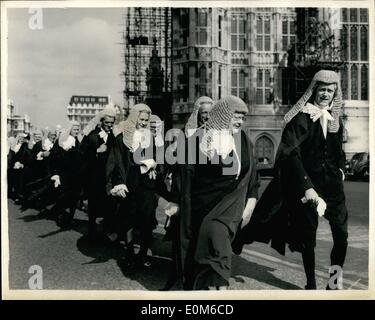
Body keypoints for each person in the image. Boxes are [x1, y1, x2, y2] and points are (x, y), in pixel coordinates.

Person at [234, 70, 348, 290]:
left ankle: (334, 284)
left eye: (330, 91)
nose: (326, 94)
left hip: (333, 188)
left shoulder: (335, 121)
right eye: (322, 90)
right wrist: (306, 187)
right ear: (314, 90)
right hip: (306, 186)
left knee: (342, 236)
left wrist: (341, 171)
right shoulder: (300, 119)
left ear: (335, 93)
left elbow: (338, 152)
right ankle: (311, 285)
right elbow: (291, 155)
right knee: (308, 238)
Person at [178, 95, 259, 290]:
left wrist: (251, 203)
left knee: (216, 249)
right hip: (207, 206)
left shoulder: (244, 140)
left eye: (242, 117)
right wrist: (177, 202)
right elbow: (186, 175)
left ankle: (210, 289)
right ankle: (220, 291)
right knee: (218, 247)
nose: (240, 121)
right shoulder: (198, 140)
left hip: (233, 207)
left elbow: (252, 174)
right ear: (224, 116)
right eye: (236, 116)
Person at [106, 104, 161, 268]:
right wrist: (118, 183)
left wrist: (154, 166)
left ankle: (143, 255)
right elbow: (116, 163)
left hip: (147, 185)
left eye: (146, 120)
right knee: (128, 219)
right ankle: (129, 253)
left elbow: (158, 159)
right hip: (130, 183)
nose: (143, 123)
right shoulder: (121, 139)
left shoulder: (150, 138)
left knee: (147, 219)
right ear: (134, 119)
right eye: (141, 119)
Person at [80, 106, 117, 242]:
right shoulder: (92, 136)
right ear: (101, 122)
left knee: (109, 205)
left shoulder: (113, 136)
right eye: (107, 123)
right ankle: (92, 234)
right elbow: (82, 154)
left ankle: (107, 232)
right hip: (95, 178)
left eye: (112, 123)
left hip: (109, 177)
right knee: (94, 206)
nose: (109, 125)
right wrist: (96, 151)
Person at [49, 121, 83, 227]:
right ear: (70, 129)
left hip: (75, 174)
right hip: (64, 173)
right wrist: (55, 173)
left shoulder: (78, 141)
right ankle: (60, 216)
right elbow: (54, 157)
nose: (77, 131)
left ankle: (70, 218)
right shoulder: (61, 141)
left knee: (74, 197)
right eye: (75, 129)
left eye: (78, 129)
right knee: (63, 195)